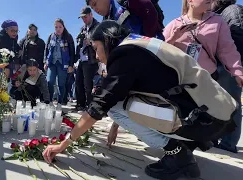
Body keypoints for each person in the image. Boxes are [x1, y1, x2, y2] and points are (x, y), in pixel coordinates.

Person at [42, 20, 237, 180]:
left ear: (107, 40)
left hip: (203, 121)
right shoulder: (137, 44)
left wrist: (62, 146)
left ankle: (178, 154)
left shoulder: (124, 54)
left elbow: (99, 106)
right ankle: (186, 143)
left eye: (95, 47)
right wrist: (115, 126)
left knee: (114, 109)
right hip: (213, 116)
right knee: (120, 105)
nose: (97, 56)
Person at [163, 0, 243, 84]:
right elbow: (160, 51)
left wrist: (238, 72)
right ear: (190, 1)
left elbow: (227, 49)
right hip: (180, 78)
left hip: (208, 77)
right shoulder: (174, 24)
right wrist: (173, 38)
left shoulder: (218, 21)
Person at [211, 0, 243, 153]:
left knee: (231, 103)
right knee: (220, 102)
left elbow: (238, 37)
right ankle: (216, 138)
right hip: (223, 63)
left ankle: (228, 142)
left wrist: (232, 63)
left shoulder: (231, 10)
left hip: (228, 65)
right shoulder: (222, 12)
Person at [86, 0, 164, 39]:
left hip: (151, 51)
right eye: (92, 8)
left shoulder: (123, 1)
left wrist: (147, 40)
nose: (95, 9)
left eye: (95, 4)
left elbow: (149, 10)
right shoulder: (105, 23)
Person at [44, 19, 75, 103]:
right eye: (56, 27)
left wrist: (71, 65)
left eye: (60, 27)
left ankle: (60, 102)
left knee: (61, 84)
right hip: (52, 63)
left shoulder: (68, 37)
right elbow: (46, 49)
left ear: (63, 27)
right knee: (50, 82)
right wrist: (45, 62)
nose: (58, 29)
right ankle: (49, 101)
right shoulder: (51, 36)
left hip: (63, 64)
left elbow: (72, 52)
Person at [75, 7, 100, 112]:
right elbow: (78, 42)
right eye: (82, 18)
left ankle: (91, 107)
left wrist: (91, 41)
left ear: (91, 15)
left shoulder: (98, 26)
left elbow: (102, 41)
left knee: (88, 84)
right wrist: (79, 40)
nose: (84, 19)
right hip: (81, 59)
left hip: (91, 59)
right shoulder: (82, 28)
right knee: (78, 82)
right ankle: (80, 104)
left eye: (85, 17)